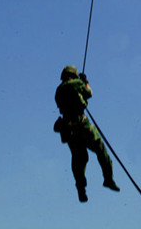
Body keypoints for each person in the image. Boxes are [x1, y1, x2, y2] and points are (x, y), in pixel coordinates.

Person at [54, 65, 120, 202]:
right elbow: (88, 93)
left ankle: (81, 189)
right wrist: (85, 81)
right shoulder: (77, 83)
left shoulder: (58, 90)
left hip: (69, 131)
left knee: (79, 159)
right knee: (101, 151)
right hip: (83, 126)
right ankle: (108, 179)